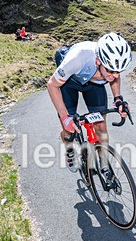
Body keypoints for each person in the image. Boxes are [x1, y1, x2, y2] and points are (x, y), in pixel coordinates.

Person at [47, 32, 131, 172]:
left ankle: (104, 164)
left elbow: (115, 76)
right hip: (69, 82)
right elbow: (52, 85)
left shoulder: (110, 64)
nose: (115, 75)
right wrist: (65, 117)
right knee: (69, 129)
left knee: (101, 128)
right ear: (98, 60)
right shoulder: (77, 58)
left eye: (119, 71)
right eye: (110, 70)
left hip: (94, 84)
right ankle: (70, 150)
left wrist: (118, 99)